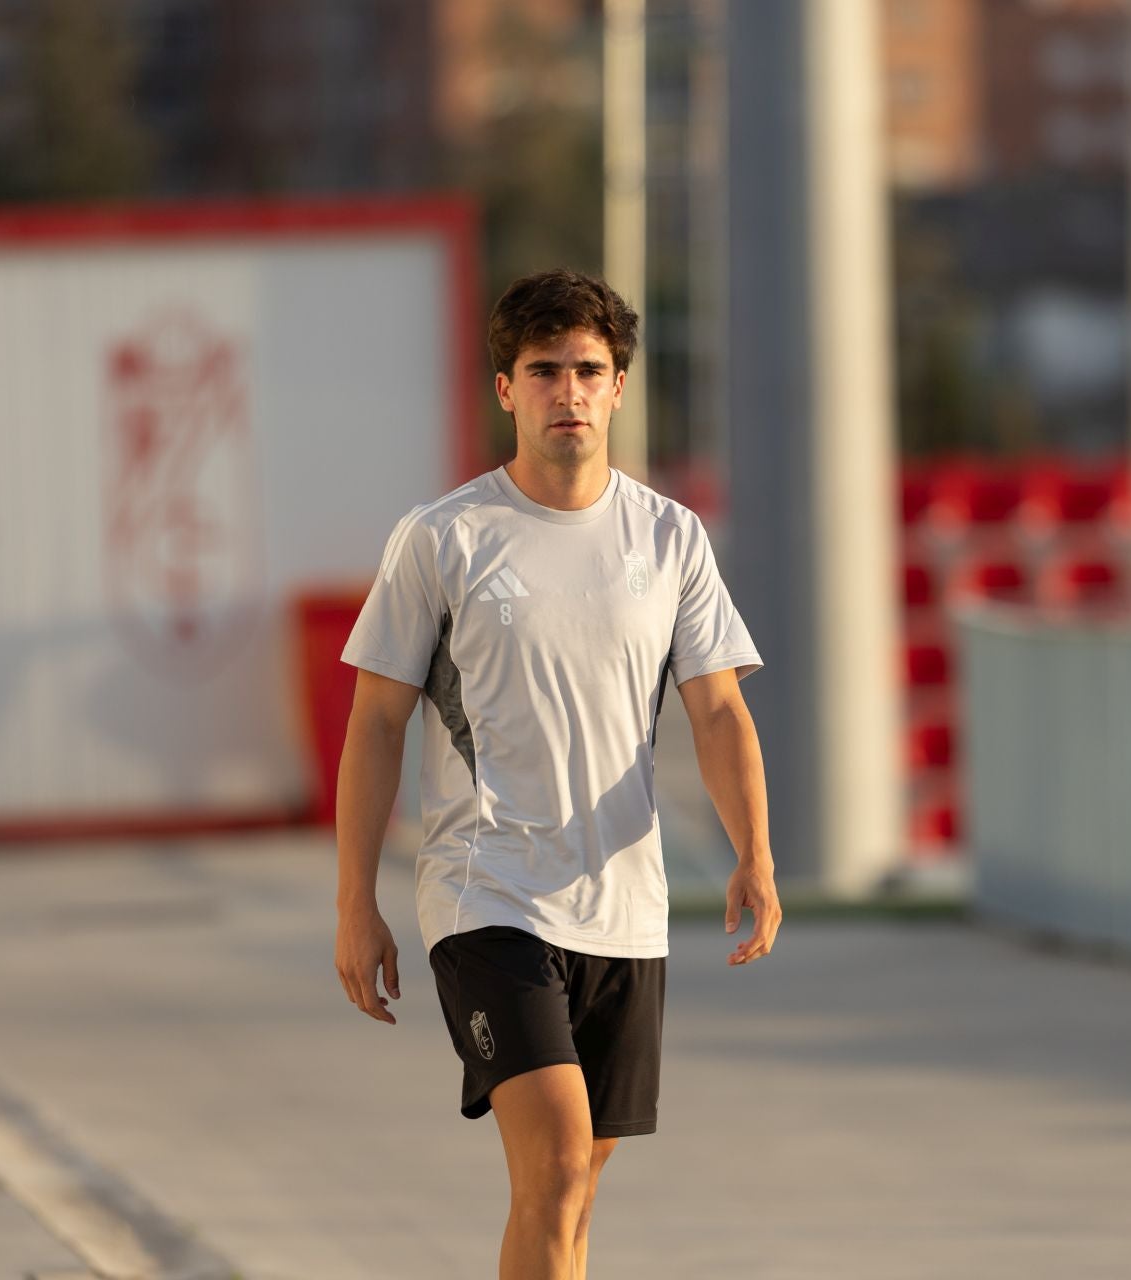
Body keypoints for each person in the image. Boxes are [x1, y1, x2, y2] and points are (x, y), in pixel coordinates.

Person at [333, 267, 781, 1279]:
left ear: (620, 385)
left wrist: (755, 852)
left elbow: (719, 710)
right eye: (544, 371)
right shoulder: (443, 538)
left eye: (589, 369)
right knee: (560, 1161)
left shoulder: (669, 538)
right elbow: (375, 725)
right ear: (505, 388)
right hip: (487, 893)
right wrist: (354, 900)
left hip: (625, 906)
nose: (567, 391)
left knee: (567, 1194)